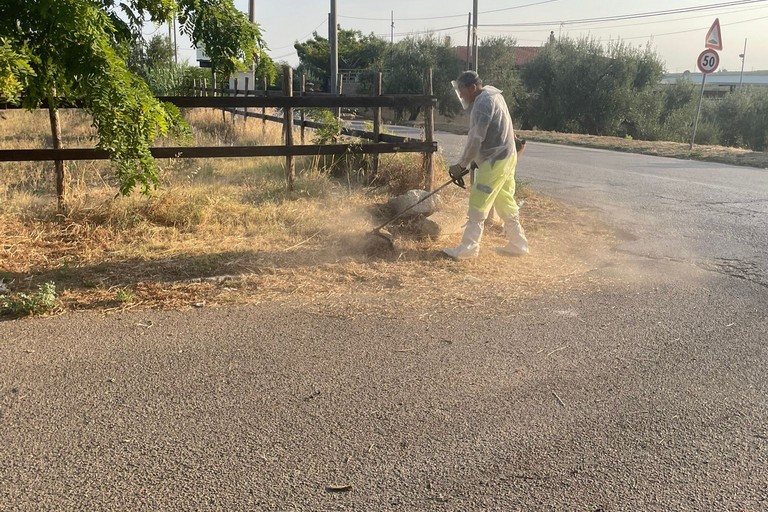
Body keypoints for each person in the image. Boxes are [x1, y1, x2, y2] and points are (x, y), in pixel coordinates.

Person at [443, 71, 529, 260]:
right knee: (505, 200)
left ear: (472, 87)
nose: (461, 95)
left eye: (462, 91)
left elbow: (476, 139)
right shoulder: (494, 94)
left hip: (494, 161)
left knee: (478, 203)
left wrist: (461, 165)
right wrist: (473, 160)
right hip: (506, 158)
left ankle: (468, 249)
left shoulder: (482, 103)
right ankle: (518, 244)